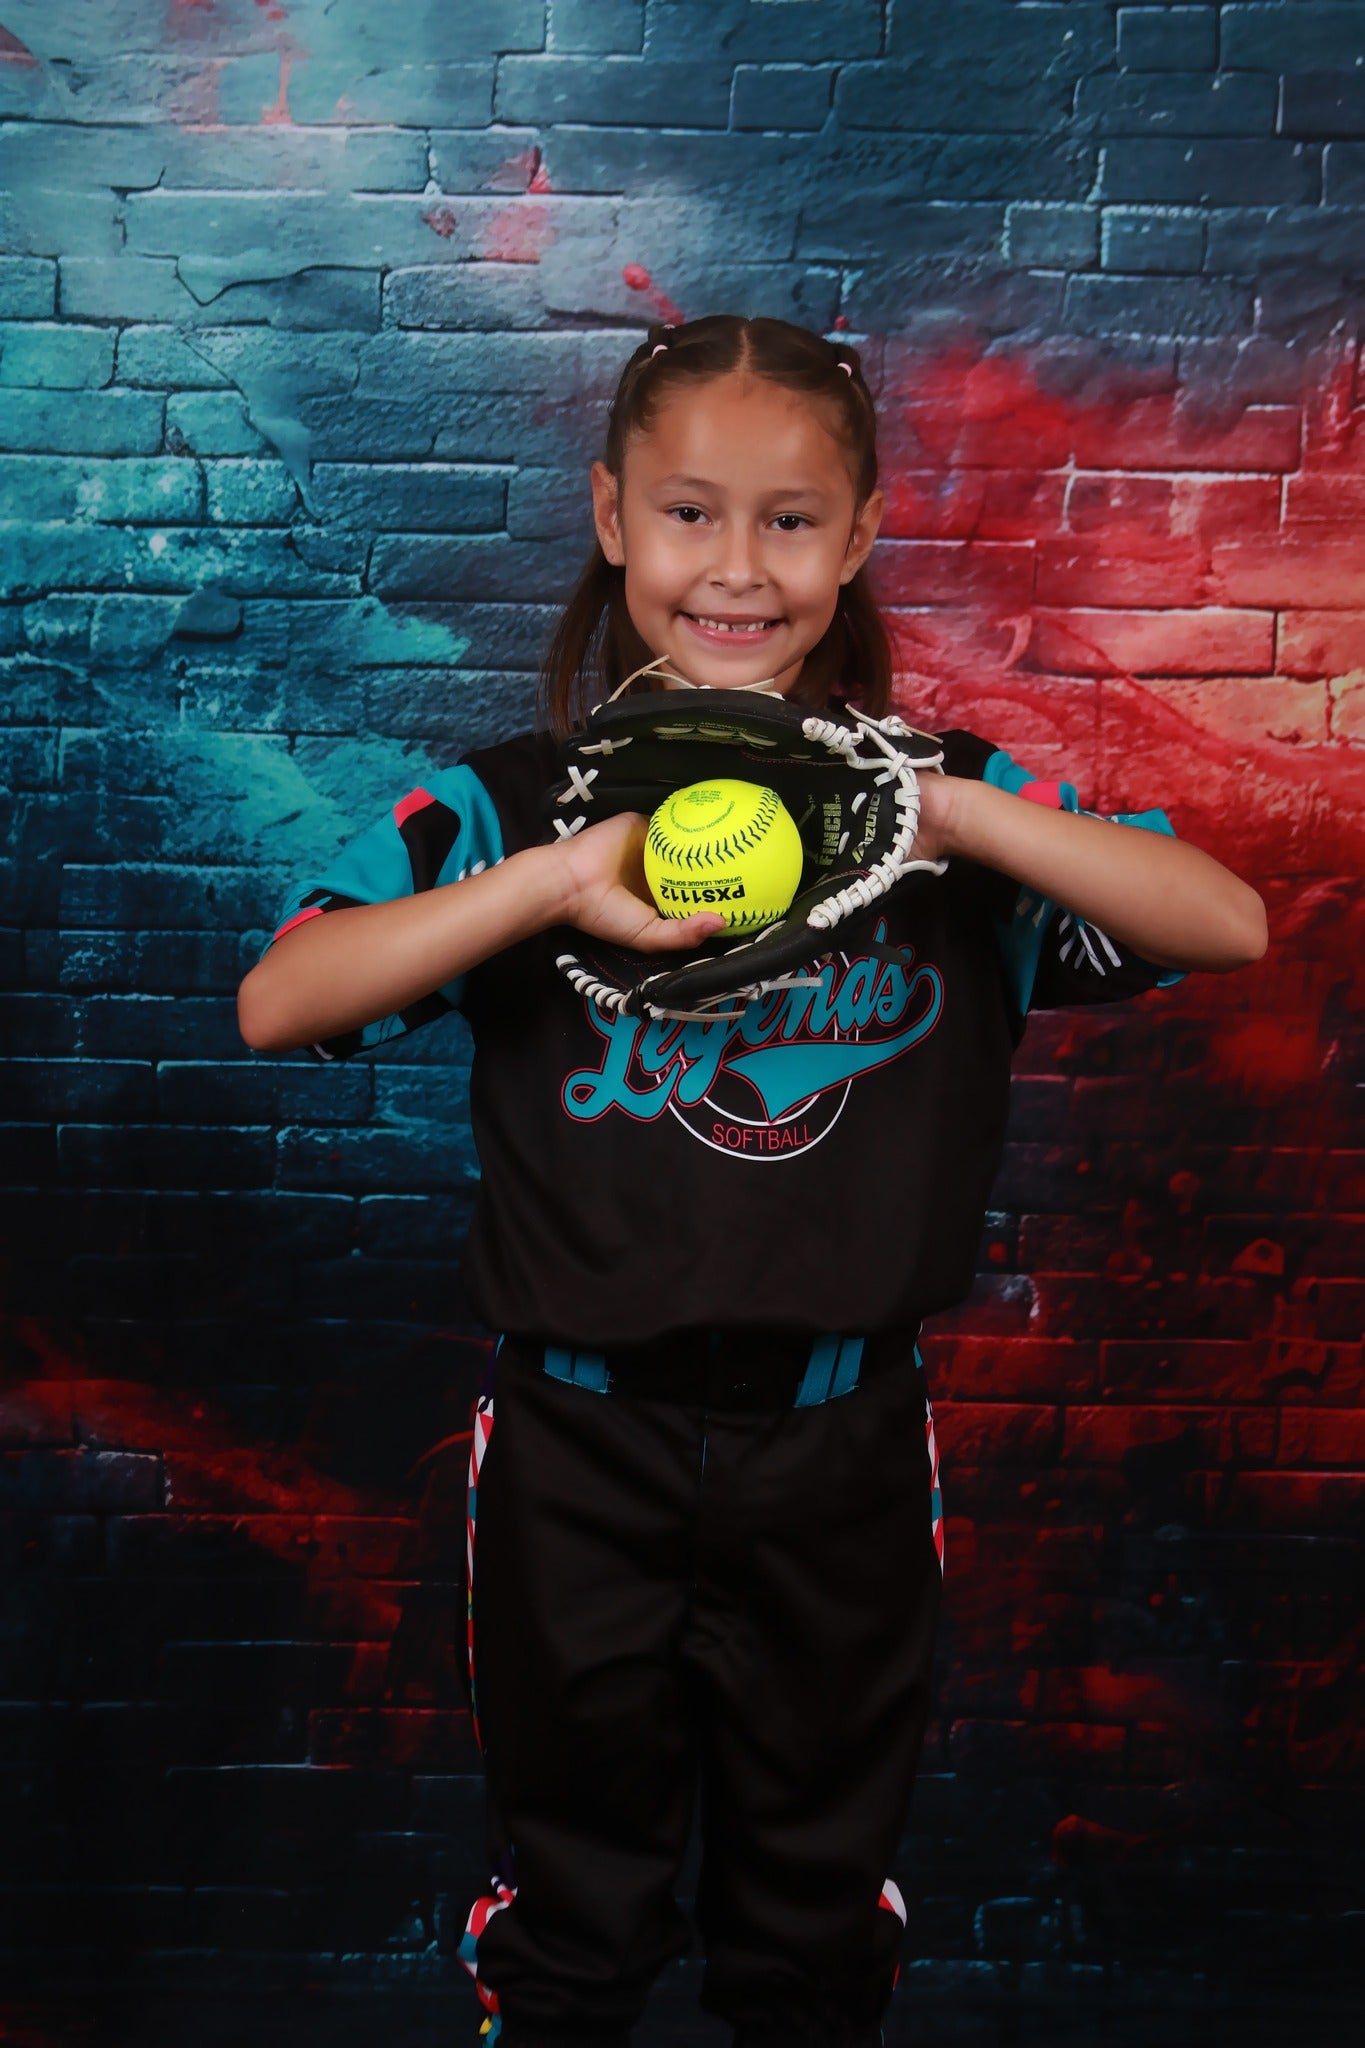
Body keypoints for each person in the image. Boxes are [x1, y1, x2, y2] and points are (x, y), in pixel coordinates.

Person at [237, 315, 1267, 2048]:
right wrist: (557, 882)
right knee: (574, 1911)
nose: (737, 567)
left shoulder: (955, 814)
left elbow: (1220, 923)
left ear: (857, 539)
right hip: (577, 1443)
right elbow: (282, 1000)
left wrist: (943, 812)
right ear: (612, 519)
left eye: (790, 521)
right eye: (691, 514)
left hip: (840, 1443)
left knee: (809, 1926)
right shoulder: (511, 809)